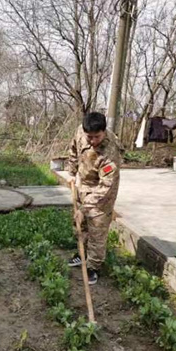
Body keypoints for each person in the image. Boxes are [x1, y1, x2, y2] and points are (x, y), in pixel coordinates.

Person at [66, 111, 122, 285]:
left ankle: (93, 266)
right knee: (80, 224)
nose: (92, 141)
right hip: (83, 183)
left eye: (96, 137)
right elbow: (74, 149)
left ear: (104, 132)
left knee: (97, 228)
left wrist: (85, 208)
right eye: (89, 137)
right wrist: (71, 172)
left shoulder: (110, 153)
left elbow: (106, 186)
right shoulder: (81, 132)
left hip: (102, 191)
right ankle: (82, 253)